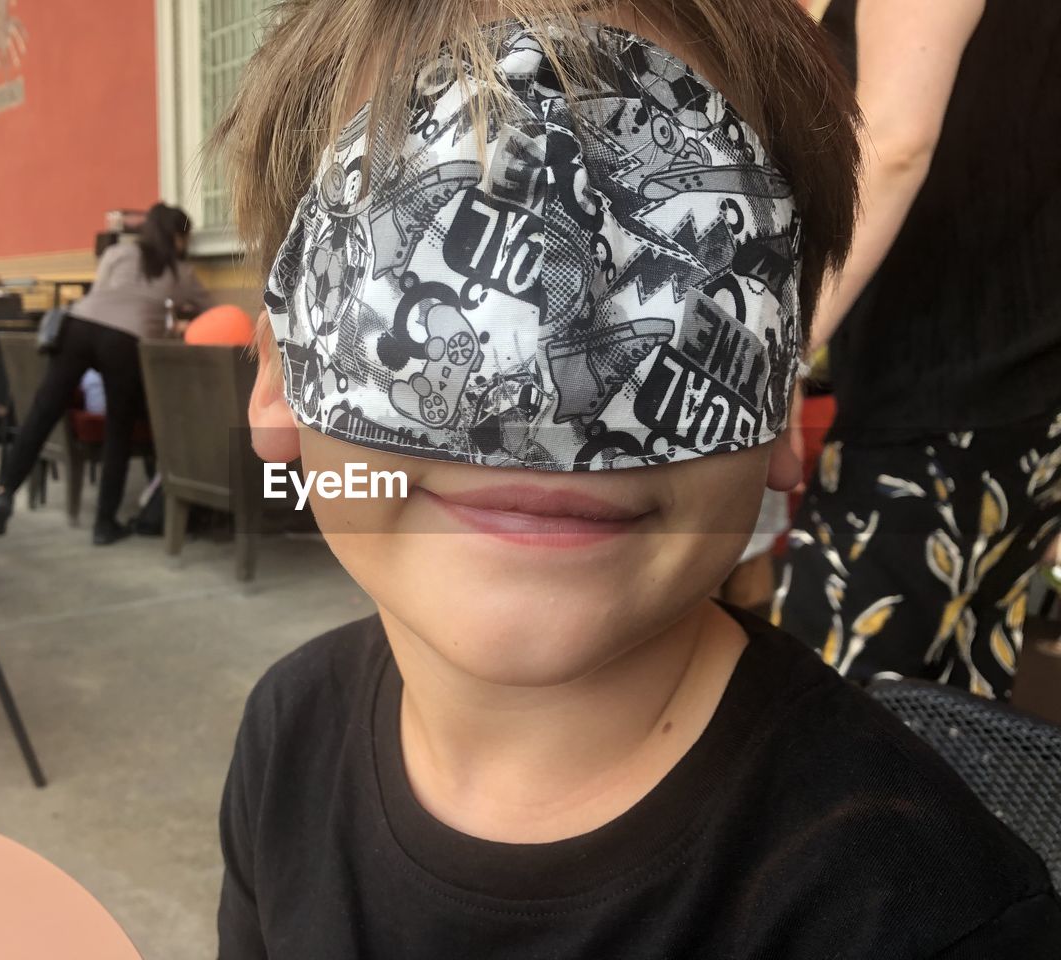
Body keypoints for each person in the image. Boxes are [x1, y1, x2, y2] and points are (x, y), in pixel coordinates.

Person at [212, 3, 1061, 957]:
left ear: (781, 390)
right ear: (282, 378)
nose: (546, 400)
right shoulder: (287, 735)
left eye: (681, 252)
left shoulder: (923, 919)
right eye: (430, 234)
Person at [773, 0, 1061, 699]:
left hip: (942, 391)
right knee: (950, 704)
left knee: (822, 709)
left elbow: (896, 141)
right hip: (998, 377)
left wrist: (778, 350)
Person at [0, 203, 211, 545]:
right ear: (178, 237)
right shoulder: (180, 272)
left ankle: (4, 492)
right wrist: (183, 316)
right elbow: (212, 311)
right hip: (124, 343)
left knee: (42, 412)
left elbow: (102, 292)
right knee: (118, 430)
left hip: (80, 326)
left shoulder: (118, 252)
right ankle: (104, 524)